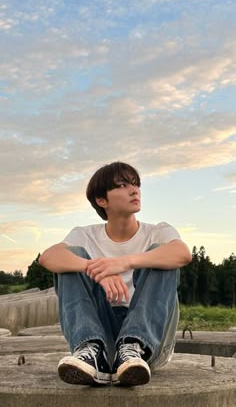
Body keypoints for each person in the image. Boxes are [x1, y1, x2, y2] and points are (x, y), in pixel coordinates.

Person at [39, 161, 192, 387]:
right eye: (122, 185)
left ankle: (133, 347)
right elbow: (48, 257)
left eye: (136, 184)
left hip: (151, 340)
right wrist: (93, 268)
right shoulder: (85, 235)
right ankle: (91, 351)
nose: (134, 190)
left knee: (159, 254)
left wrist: (122, 263)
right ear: (102, 200)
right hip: (102, 332)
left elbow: (182, 254)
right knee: (71, 258)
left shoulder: (158, 231)